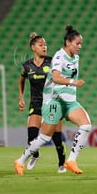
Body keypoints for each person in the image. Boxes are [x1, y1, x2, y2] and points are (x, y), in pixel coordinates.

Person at [14, 25, 92, 175]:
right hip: (53, 102)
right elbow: (56, 78)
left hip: (69, 101)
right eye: (77, 43)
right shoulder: (58, 57)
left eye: (81, 43)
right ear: (68, 42)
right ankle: (20, 161)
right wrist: (73, 82)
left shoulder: (75, 57)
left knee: (86, 125)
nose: (80, 46)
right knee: (44, 137)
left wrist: (71, 87)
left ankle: (71, 161)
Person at [18, 32, 66, 173]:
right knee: (31, 135)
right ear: (33, 47)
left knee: (56, 137)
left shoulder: (52, 62)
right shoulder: (27, 66)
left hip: (53, 102)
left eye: (45, 44)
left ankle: (62, 164)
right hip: (36, 102)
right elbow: (21, 81)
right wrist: (21, 98)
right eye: (41, 45)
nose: (44, 47)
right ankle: (35, 155)